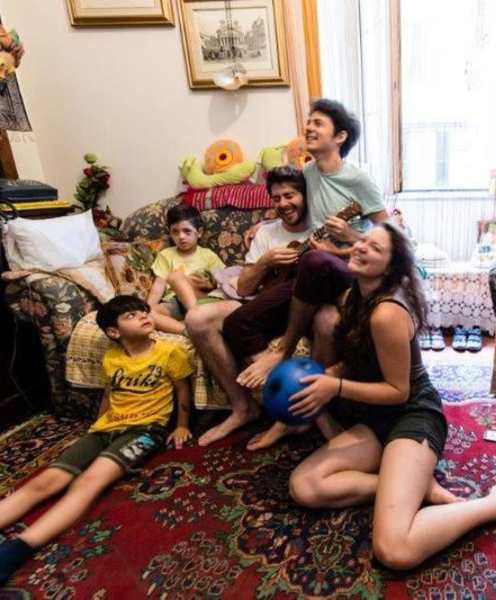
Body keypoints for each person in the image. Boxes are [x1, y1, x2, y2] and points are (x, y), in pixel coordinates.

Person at [285, 223, 496, 570]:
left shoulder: (387, 312)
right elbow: (361, 359)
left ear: (390, 267)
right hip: (374, 418)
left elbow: (398, 391)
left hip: (412, 416)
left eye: (375, 247)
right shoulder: (355, 295)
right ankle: (413, 487)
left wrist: (336, 387)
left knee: (395, 550)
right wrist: (327, 374)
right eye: (363, 241)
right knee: (304, 486)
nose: (361, 247)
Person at [198, 98, 388, 447]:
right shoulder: (309, 174)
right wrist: (265, 223)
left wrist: (349, 238)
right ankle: (279, 409)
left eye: (318, 123)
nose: (309, 127)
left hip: (347, 267)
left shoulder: (359, 179)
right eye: (309, 121)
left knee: (314, 262)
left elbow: (389, 234)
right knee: (237, 322)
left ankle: (283, 353)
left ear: (340, 136)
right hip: (315, 271)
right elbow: (290, 202)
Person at [0, 295, 192, 584]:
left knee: (88, 482)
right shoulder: (111, 356)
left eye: (143, 311)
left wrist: (182, 425)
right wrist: (95, 428)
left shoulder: (170, 351)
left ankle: (16, 550)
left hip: (144, 430)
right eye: (130, 315)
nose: (142, 315)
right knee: (45, 481)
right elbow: (108, 394)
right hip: (105, 427)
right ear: (113, 332)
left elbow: (182, 389)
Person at [147, 204, 225, 334]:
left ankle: (197, 317)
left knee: (176, 277)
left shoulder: (208, 255)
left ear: (199, 232)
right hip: (175, 302)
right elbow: (158, 286)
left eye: (187, 231)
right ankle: (187, 331)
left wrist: (210, 284)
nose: (181, 237)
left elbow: (222, 281)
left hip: (201, 299)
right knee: (148, 313)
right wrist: (147, 306)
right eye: (175, 232)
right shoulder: (166, 255)